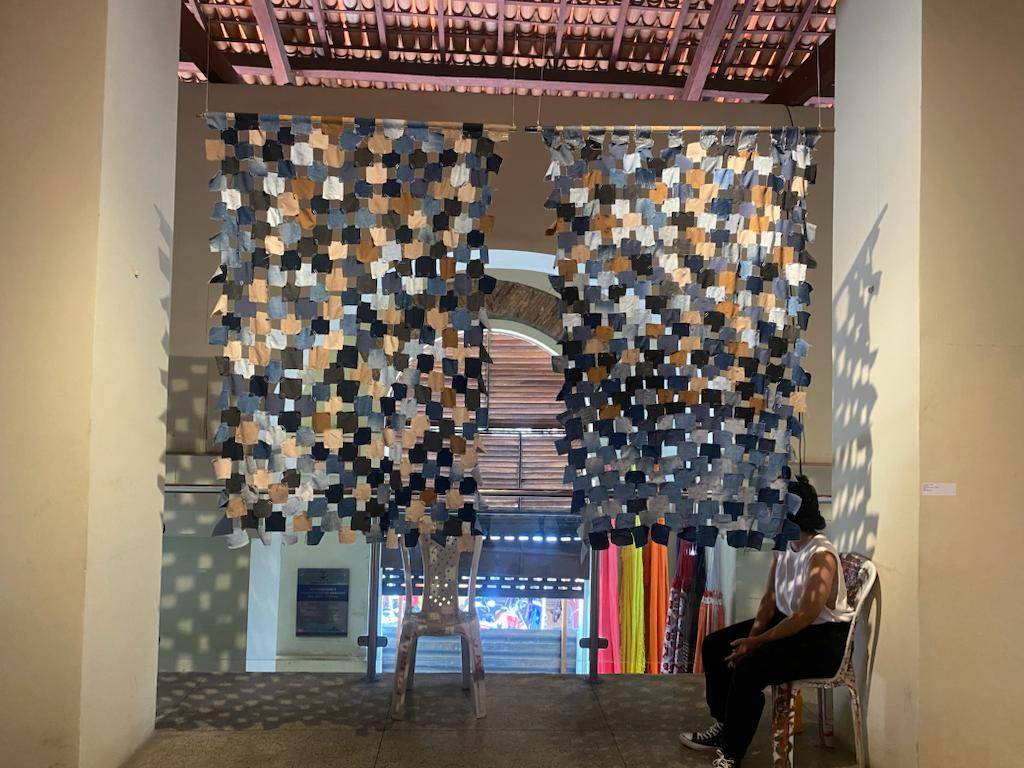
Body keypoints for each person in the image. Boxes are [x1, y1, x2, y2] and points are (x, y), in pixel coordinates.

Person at [679, 475, 853, 768]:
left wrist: (757, 642)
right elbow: (770, 597)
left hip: (821, 640)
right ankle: (724, 724)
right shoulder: (784, 546)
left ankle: (732, 752)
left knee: (749, 667)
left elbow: (806, 615)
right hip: (788, 624)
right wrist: (753, 635)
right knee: (715, 646)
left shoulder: (821, 556)